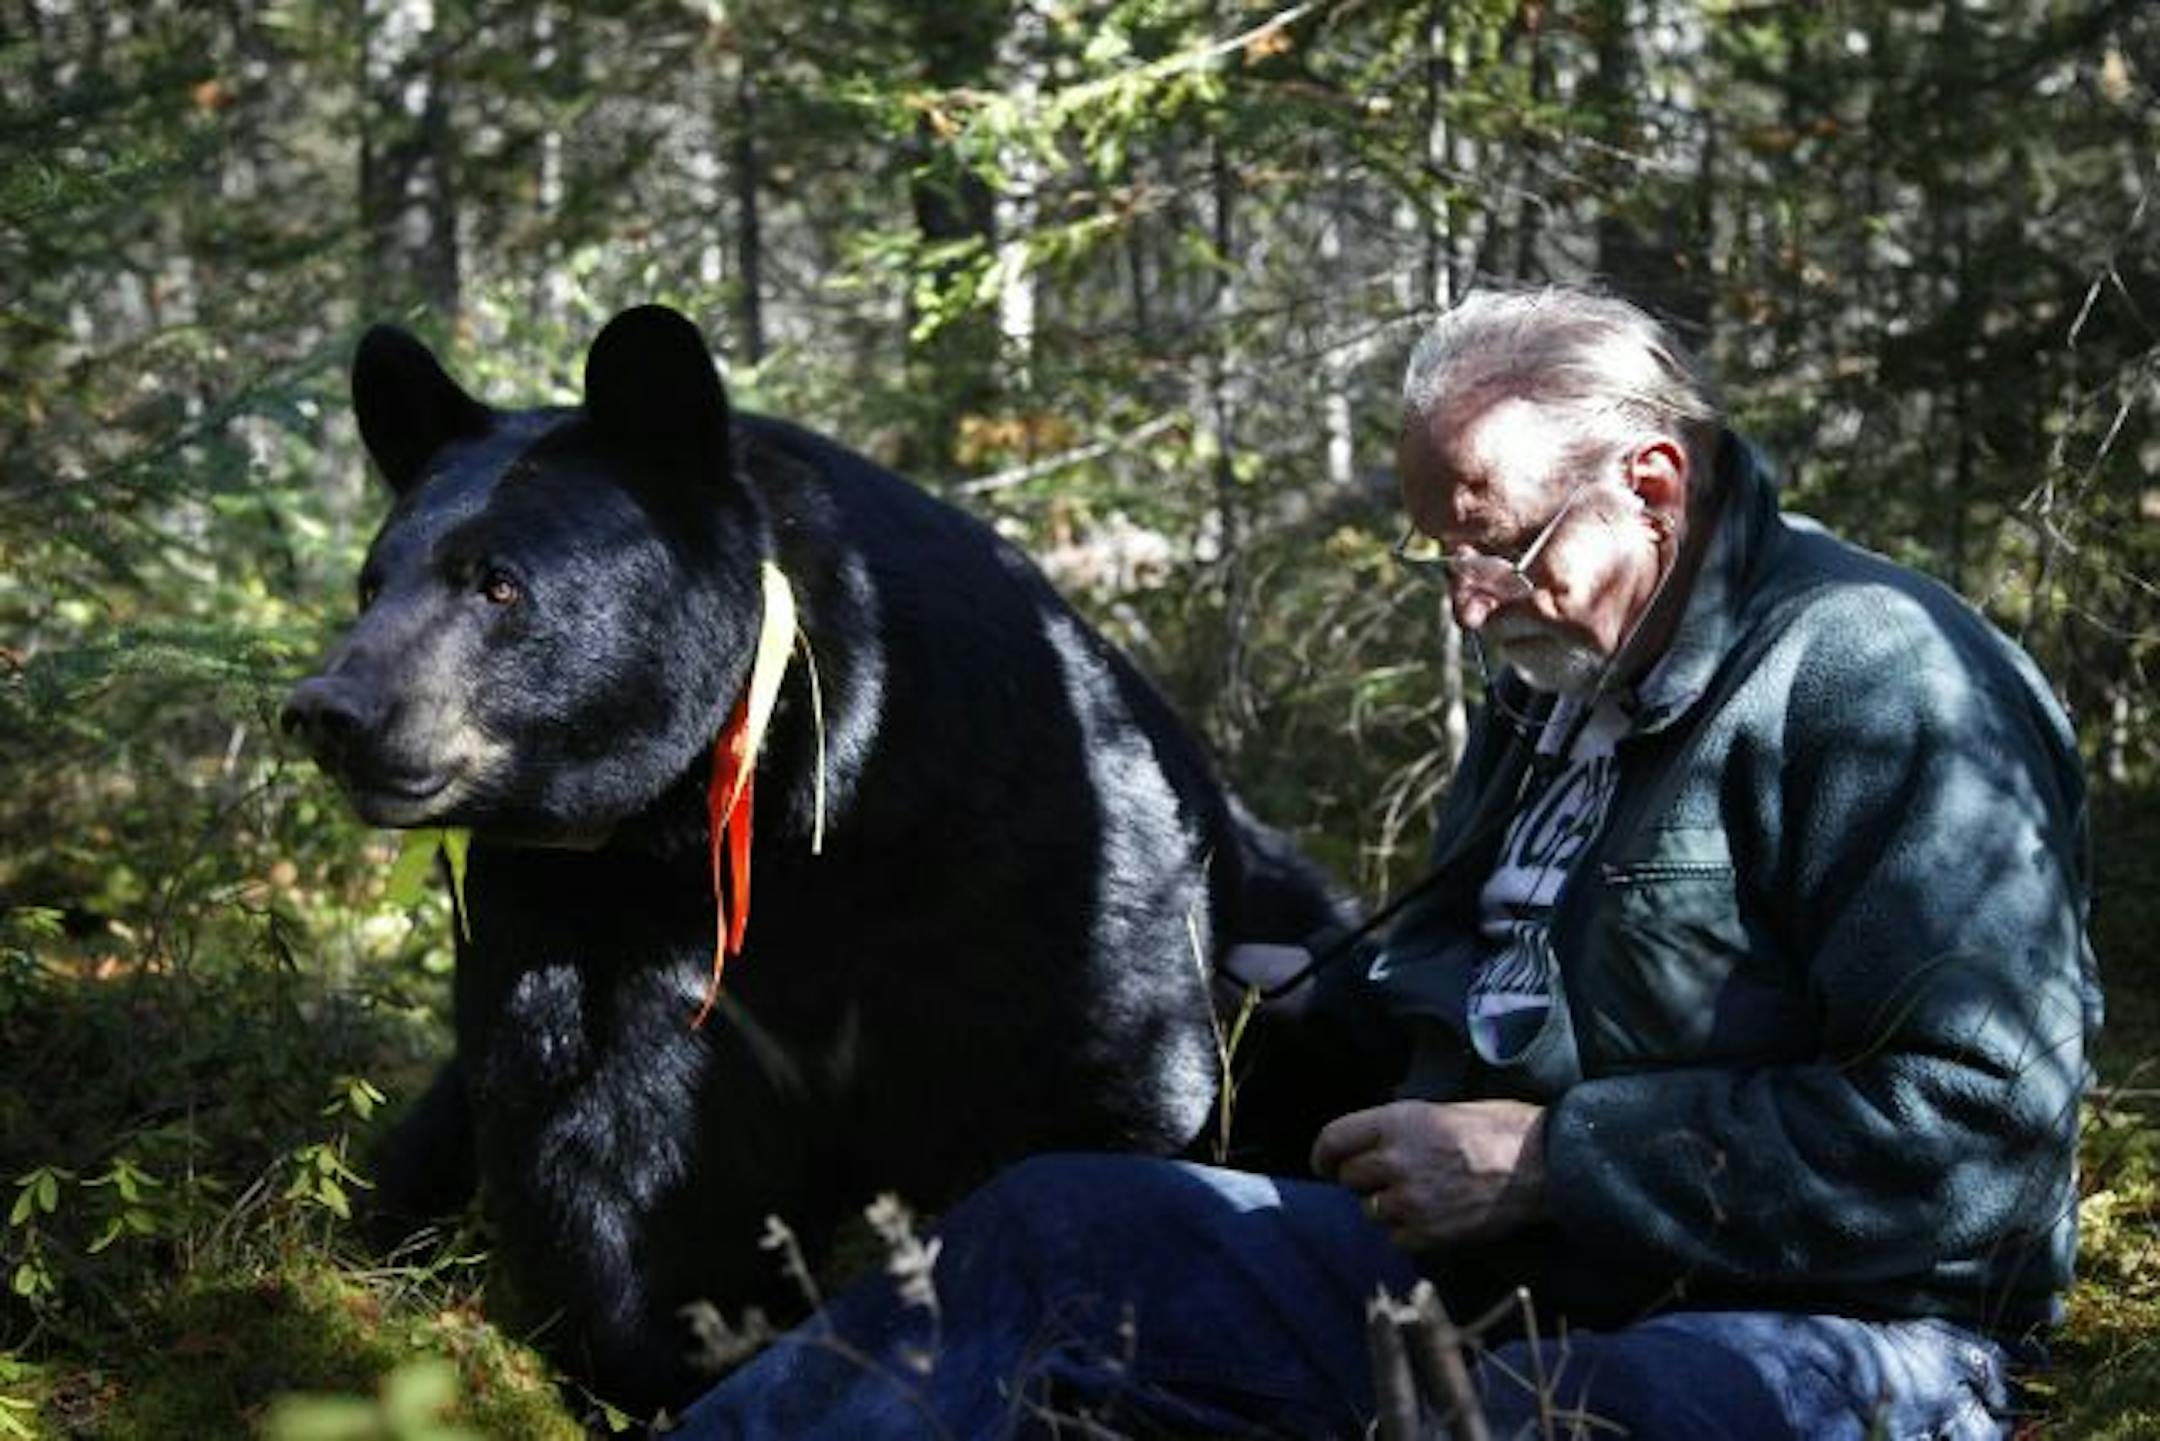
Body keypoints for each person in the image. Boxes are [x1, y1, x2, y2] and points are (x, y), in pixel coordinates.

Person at [672, 285, 2100, 1439]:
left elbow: (1981, 1138)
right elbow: (1500, 987)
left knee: (1588, 1417)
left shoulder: (1879, 682)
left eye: (1503, 549)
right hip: (1515, 1280)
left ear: (1654, 485)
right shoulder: (1559, 677)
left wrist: (1556, 1160)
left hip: (1840, 1331)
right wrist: (1314, 1007)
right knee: (1061, 1228)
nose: (1478, 608)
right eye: (1448, 564)